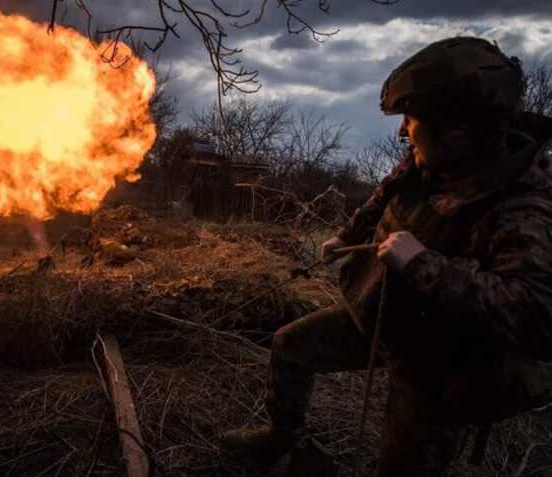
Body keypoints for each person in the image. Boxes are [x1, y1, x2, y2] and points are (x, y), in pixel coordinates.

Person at [220, 37, 552, 476]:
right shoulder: (432, 161)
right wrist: (347, 235)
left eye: (412, 119)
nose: (402, 131)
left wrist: (424, 265)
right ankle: (280, 438)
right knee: (291, 345)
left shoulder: (523, 208)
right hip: (388, 316)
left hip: (446, 363)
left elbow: (536, 317)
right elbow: (384, 198)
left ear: (456, 130)